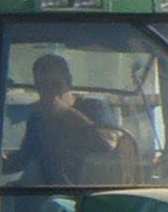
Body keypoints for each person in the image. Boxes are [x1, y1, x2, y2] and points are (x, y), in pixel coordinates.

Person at [9, 51, 133, 186]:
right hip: (45, 190)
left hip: (86, 189)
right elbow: (22, 160)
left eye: (56, 85)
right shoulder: (38, 119)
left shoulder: (94, 107)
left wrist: (67, 112)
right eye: (43, 87)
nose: (51, 93)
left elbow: (108, 142)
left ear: (69, 82)